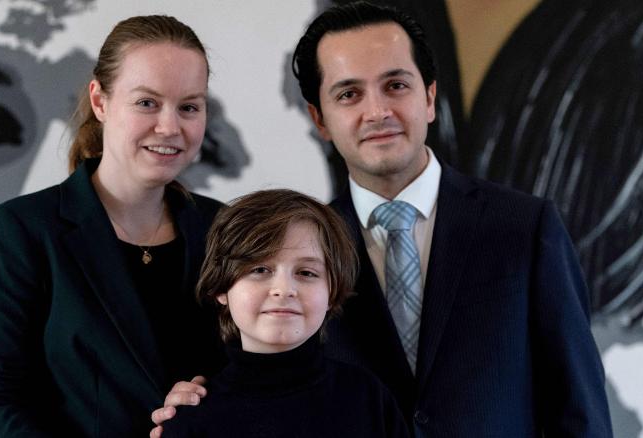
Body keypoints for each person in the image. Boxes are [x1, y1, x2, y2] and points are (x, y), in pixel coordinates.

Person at [152, 2, 613, 437]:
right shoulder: (302, 252)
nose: (377, 112)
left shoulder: (525, 227)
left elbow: (579, 412)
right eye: (349, 93)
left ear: (429, 98)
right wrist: (194, 398)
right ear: (320, 119)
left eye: (396, 85)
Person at [0, 15, 226, 437]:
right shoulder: (20, 231)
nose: (170, 127)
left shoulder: (225, 228)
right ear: (100, 101)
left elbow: (262, 374)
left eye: (189, 106)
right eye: (146, 103)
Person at [161, 189, 409, 437]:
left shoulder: (367, 397)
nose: (284, 289)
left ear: (331, 294)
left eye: (306, 273)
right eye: (259, 269)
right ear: (221, 287)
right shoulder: (191, 418)